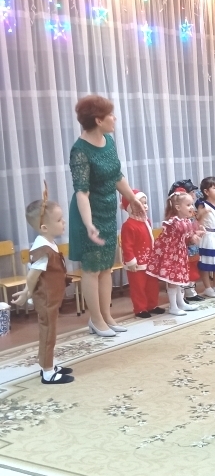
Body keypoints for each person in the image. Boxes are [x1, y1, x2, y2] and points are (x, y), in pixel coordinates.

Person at [68, 95, 145, 337]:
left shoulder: (108, 141)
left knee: (106, 267)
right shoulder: (80, 151)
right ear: (98, 120)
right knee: (92, 269)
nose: (115, 118)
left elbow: (116, 175)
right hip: (88, 215)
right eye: (110, 115)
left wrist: (132, 198)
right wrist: (89, 224)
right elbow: (82, 192)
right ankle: (96, 319)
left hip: (108, 212)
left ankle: (107, 316)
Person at [11, 195, 74, 384]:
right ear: (45, 227)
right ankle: (48, 373)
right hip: (46, 299)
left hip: (51, 297)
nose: (63, 222)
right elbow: (33, 275)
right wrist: (26, 293)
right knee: (48, 333)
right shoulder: (42, 250)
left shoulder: (48, 243)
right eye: (59, 220)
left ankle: (48, 365)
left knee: (50, 332)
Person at [146, 189, 205, 316]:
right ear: (178, 207)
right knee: (173, 281)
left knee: (178, 280)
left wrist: (197, 234)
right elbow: (181, 234)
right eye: (188, 205)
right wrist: (193, 235)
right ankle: (173, 306)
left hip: (180, 254)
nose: (191, 207)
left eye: (191, 204)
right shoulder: (173, 222)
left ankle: (180, 302)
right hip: (171, 256)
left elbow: (187, 237)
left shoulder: (185, 221)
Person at [121, 189, 164, 318]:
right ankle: (140, 308)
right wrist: (130, 261)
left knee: (152, 284)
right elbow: (127, 245)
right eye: (141, 203)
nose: (144, 206)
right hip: (136, 263)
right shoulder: (128, 225)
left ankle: (152, 305)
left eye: (145, 203)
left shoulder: (147, 222)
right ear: (131, 207)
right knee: (138, 286)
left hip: (149, 260)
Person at [168, 180, 206, 303]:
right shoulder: (175, 219)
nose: (194, 195)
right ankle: (182, 296)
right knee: (185, 270)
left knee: (193, 269)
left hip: (192, 246)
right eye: (192, 192)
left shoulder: (190, 211)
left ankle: (191, 292)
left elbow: (193, 225)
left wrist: (197, 230)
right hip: (183, 249)